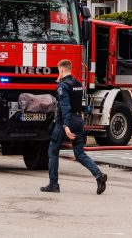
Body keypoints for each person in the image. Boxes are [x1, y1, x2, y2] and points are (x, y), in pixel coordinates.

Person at [40, 59, 107, 194]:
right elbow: (79, 103)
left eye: (59, 70)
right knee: (80, 153)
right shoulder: (77, 84)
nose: (58, 73)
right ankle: (99, 175)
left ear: (62, 70)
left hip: (66, 121)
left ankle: (53, 184)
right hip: (78, 120)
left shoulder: (62, 87)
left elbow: (65, 107)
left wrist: (65, 126)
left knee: (53, 151)